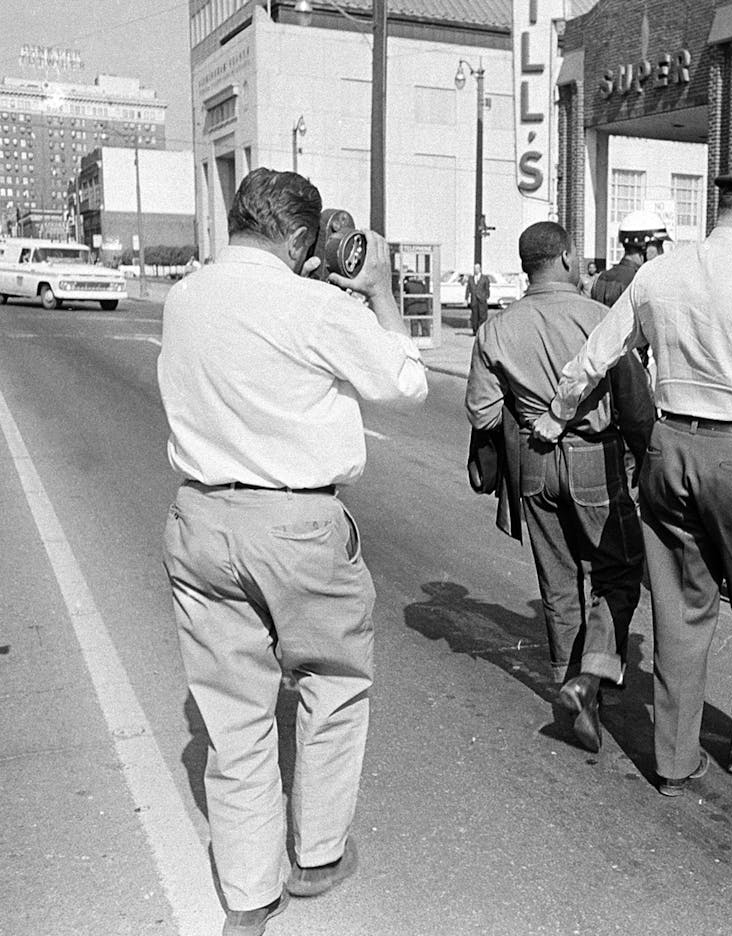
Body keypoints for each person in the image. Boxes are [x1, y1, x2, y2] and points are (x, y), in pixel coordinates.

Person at [157, 168, 428, 936]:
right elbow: (406, 383)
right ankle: (315, 855)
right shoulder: (314, 307)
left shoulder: (184, 297)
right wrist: (377, 289)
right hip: (298, 526)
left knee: (234, 715)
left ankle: (247, 895)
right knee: (333, 686)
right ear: (304, 240)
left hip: (203, 516)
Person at [533, 175, 732, 797]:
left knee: (679, 610)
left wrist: (557, 416)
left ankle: (673, 761)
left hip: (669, 450)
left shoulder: (658, 275)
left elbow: (597, 355)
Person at [466, 221, 651, 753]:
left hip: (534, 466)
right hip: (596, 460)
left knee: (558, 582)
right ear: (568, 258)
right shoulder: (599, 318)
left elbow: (481, 412)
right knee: (619, 573)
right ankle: (590, 677)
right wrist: (647, 460)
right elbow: (636, 407)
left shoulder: (495, 330)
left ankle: (576, 695)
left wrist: (527, 414)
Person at [590, 209, 669, 307]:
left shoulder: (600, 279)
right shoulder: (641, 282)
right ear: (644, 246)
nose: (662, 252)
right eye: (658, 246)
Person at [466, 262, 492, 332]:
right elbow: (468, 289)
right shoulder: (471, 278)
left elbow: (487, 289)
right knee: (474, 317)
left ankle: (481, 331)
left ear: (480, 269)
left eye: (477, 268)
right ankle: (475, 330)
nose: (475, 270)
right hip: (474, 300)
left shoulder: (484, 278)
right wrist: (466, 298)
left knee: (482, 316)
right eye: (474, 268)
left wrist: (485, 297)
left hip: (482, 300)